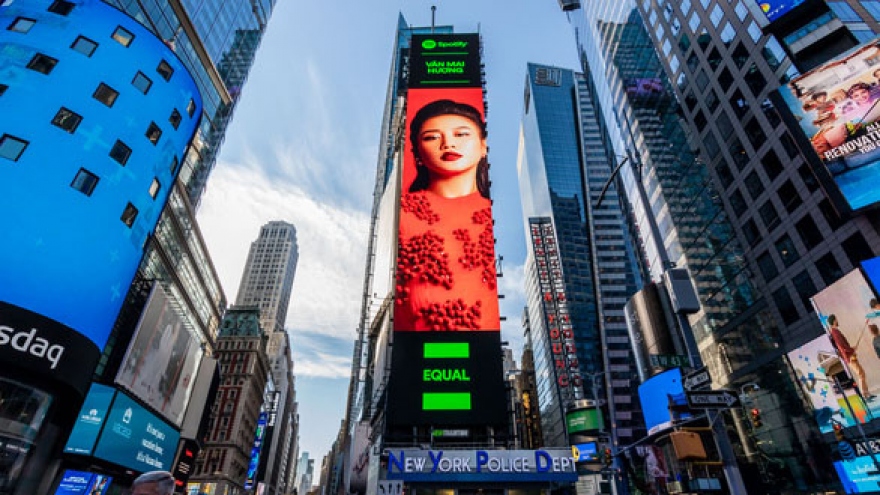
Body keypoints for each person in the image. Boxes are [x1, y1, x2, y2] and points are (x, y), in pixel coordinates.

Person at [395, 99, 499, 331]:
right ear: (417, 152)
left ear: (483, 146)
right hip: (416, 354)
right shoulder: (404, 215)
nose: (448, 144)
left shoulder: (490, 218)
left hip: (482, 353)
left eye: (461, 134)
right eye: (432, 137)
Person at [827, 314, 873, 399]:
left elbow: (842, 346)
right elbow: (842, 347)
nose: (838, 321)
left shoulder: (835, 332)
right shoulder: (835, 333)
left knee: (861, 373)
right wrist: (851, 350)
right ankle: (865, 395)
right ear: (834, 321)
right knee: (861, 374)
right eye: (836, 319)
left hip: (849, 355)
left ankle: (867, 394)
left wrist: (851, 349)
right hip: (849, 357)